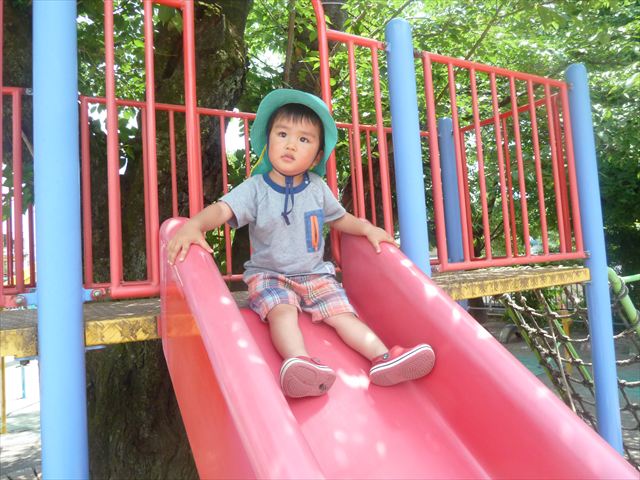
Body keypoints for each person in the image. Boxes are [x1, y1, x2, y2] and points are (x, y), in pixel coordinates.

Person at [168, 89, 435, 398]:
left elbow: (339, 218)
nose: (291, 144)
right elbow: (222, 210)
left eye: (304, 139)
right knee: (282, 311)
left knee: (342, 314)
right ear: (268, 142)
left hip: (315, 275)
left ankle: (384, 357)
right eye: (282, 134)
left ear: (317, 156)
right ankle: (299, 361)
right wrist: (195, 225)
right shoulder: (255, 188)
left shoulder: (317, 187)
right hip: (270, 275)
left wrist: (367, 229)